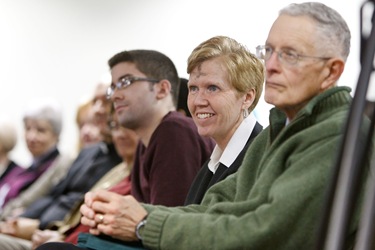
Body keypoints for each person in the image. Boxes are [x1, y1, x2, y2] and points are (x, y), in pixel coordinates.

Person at [37, 2, 371, 250]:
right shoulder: (275, 133)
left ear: (331, 71)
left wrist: (143, 221)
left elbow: (264, 233)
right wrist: (134, 212)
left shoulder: (336, 134)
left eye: (290, 55)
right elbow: (212, 209)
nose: (270, 65)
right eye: (268, 51)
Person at [0, 83, 122, 243]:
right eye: (81, 125)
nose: (32, 136)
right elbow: (53, 196)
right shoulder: (87, 154)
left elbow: (72, 206)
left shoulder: (63, 161)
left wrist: (33, 225)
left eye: (40, 130)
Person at [106, 49, 215, 207]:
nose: (115, 95)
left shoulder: (174, 132)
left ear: (162, 89)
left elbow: (169, 223)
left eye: (125, 82)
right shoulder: (145, 144)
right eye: (113, 87)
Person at [0, 98, 64, 211]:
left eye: (41, 130)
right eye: (28, 128)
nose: (31, 137)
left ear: (56, 135)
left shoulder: (58, 169)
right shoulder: (24, 171)